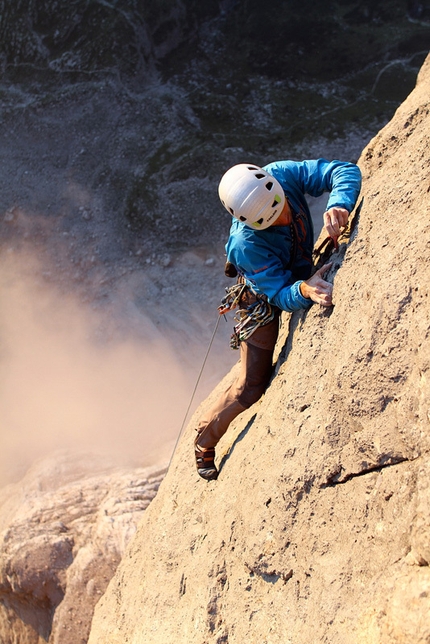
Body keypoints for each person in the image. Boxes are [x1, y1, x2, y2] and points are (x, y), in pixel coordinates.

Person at [194, 159, 362, 481]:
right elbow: (279, 295)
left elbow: (342, 170)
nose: (285, 216)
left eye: (281, 205)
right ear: (249, 222)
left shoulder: (281, 174)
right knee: (252, 386)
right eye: (271, 220)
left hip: (293, 269)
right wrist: (304, 289)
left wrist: (339, 204)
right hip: (260, 299)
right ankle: (204, 439)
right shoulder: (246, 245)